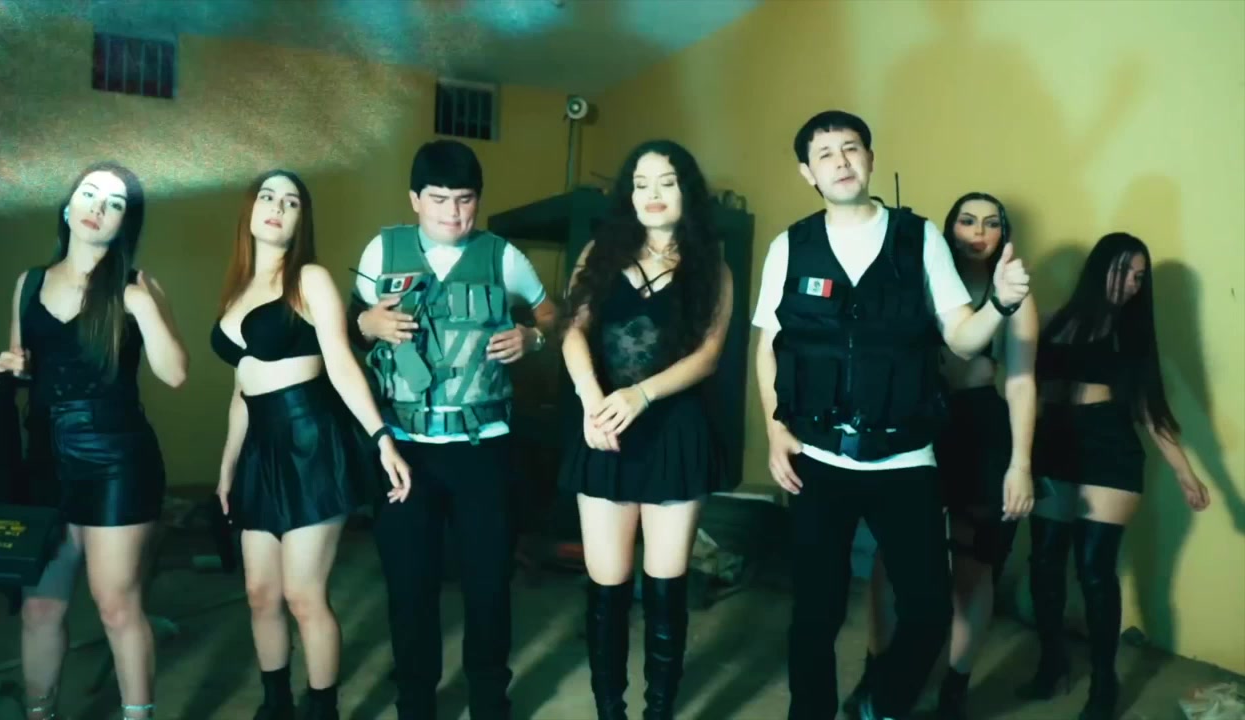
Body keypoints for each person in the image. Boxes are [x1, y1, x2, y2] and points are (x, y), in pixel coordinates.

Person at [752, 110, 1031, 720]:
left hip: (905, 459)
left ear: (871, 159)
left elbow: (962, 338)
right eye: (825, 154)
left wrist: (1002, 304)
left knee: (928, 610)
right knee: (816, 615)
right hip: (817, 457)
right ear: (808, 173)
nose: (841, 161)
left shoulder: (919, 238)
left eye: (851, 148)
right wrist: (775, 431)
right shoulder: (790, 246)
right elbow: (768, 346)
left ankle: (882, 704)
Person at [347, 139, 556, 720]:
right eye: (438, 199)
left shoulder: (502, 256)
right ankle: (415, 703)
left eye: (464, 200)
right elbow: (345, 327)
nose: (452, 213)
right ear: (415, 199)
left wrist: (534, 337)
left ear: (478, 201)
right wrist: (366, 322)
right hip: (405, 449)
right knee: (409, 585)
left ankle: (490, 700)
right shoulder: (381, 251)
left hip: (483, 447)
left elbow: (551, 313)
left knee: (488, 582)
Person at [0, 161, 188, 720]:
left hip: (116, 459)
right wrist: (11, 370)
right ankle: (40, 713)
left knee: (116, 604)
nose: (98, 207)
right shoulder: (29, 283)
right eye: (89, 193)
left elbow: (175, 373)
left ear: (125, 223)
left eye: (115, 203)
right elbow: (24, 368)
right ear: (67, 206)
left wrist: (143, 305)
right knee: (40, 608)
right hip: (44, 461)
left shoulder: (137, 288)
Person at [212, 169, 411, 720]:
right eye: (268, 197)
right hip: (259, 448)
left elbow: (342, 364)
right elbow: (241, 389)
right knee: (260, 592)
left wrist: (381, 438)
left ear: (301, 220)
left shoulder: (310, 279)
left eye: (291, 201)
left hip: (310, 442)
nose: (278, 207)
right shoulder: (237, 290)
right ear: (250, 210)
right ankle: (275, 706)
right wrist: (227, 467)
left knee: (303, 594)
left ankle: (322, 712)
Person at [558, 140, 733, 720]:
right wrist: (592, 399)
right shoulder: (600, 252)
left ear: (687, 191)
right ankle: (610, 711)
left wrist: (641, 394)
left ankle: (659, 711)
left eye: (666, 182)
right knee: (606, 587)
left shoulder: (713, 266)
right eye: (640, 184)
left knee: (665, 588)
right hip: (604, 428)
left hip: (675, 434)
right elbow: (573, 330)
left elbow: (708, 355)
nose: (652, 195)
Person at [850, 192, 1039, 720]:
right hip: (916, 424)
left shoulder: (1013, 291)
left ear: (1004, 233)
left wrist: (1021, 464)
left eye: (991, 223)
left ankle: (954, 688)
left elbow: (1022, 383)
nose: (978, 232)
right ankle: (877, 671)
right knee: (891, 557)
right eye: (967, 220)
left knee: (973, 567)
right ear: (948, 227)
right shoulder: (919, 275)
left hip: (980, 429)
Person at [1020, 232, 1210, 720]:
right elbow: (1025, 390)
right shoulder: (1053, 320)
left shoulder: (1131, 333)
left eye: (1139, 278)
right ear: (1099, 268)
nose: (1131, 284)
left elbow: (1150, 410)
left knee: (1094, 569)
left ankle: (1104, 682)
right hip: (1054, 446)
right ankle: (1052, 661)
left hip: (1109, 451)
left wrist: (1186, 474)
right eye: (1124, 271)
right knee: (1044, 562)